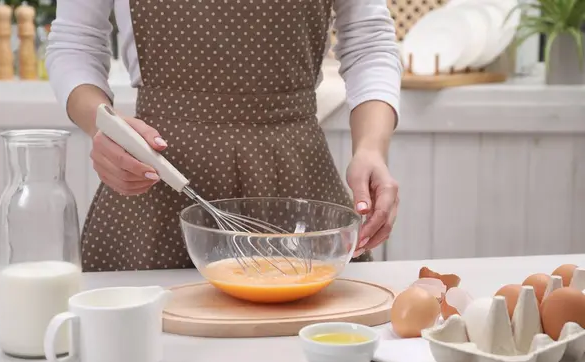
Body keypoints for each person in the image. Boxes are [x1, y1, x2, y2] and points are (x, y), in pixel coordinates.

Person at [46, 0, 402, 272]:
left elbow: (369, 42)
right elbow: (75, 44)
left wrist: (371, 148)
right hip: (157, 179)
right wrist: (102, 124)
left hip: (295, 182)